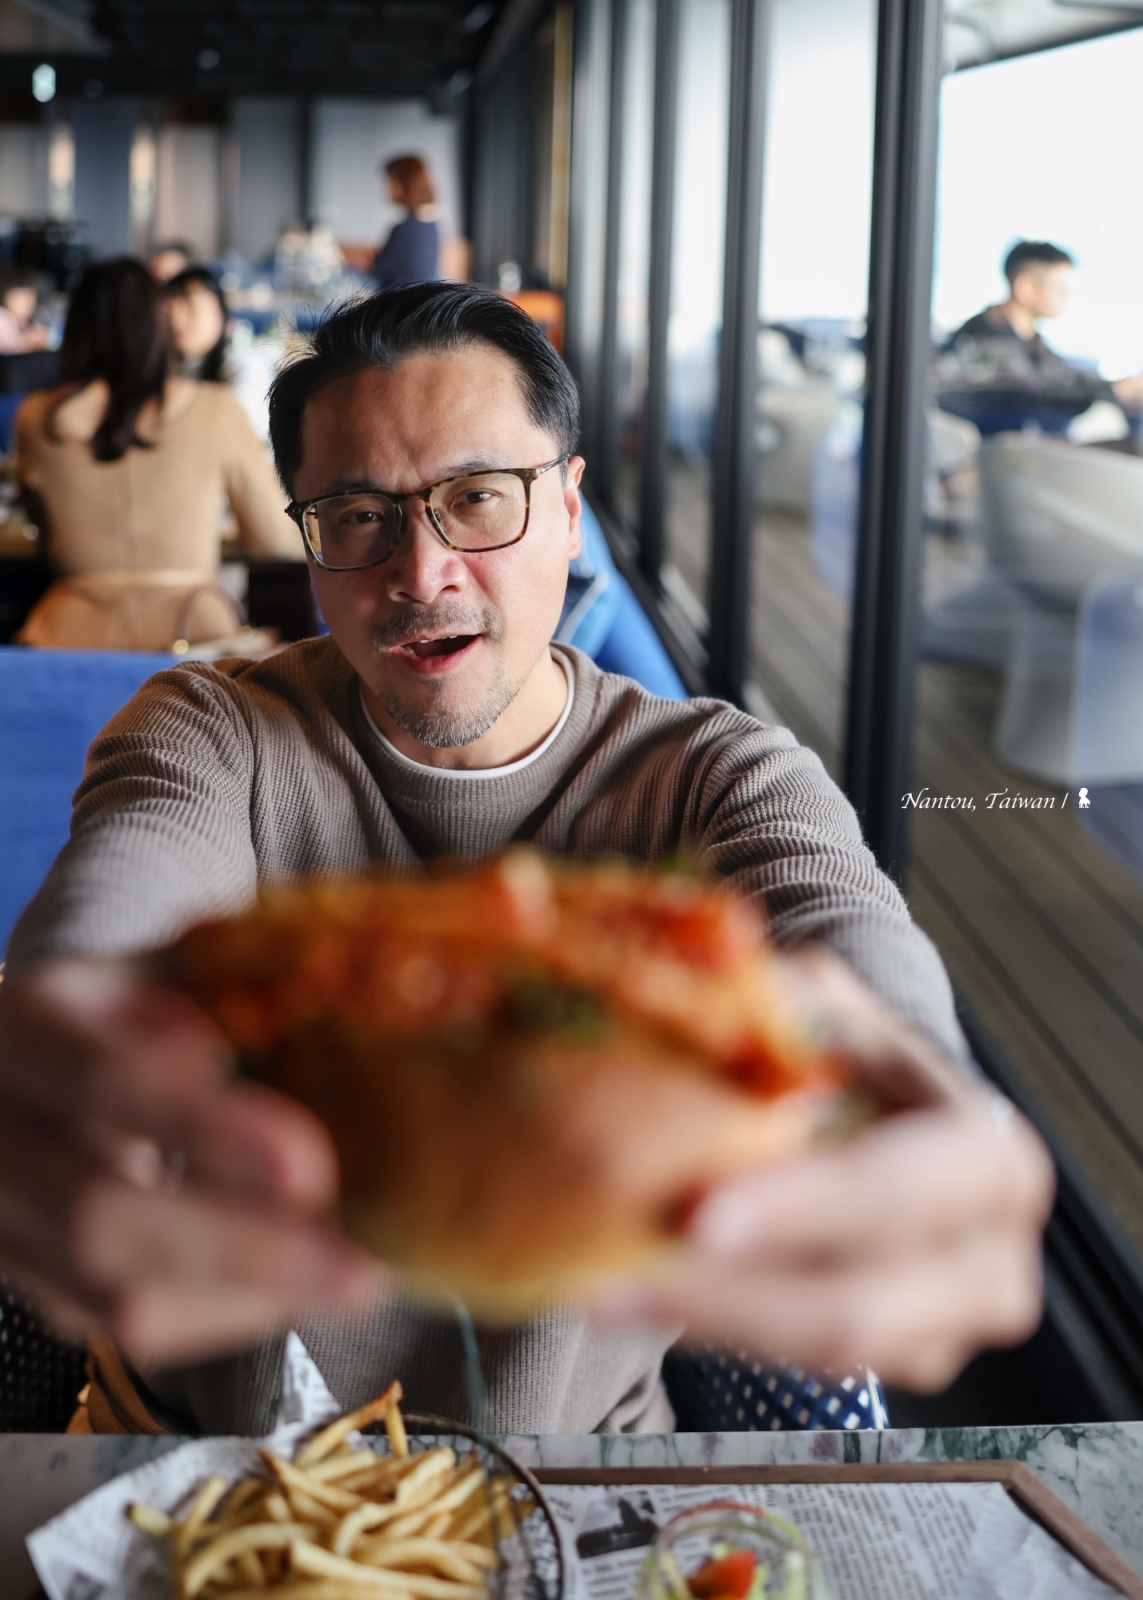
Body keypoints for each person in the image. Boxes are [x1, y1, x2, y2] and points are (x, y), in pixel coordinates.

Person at [0, 284, 1052, 1436]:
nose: (422, 571)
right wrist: (56, 1028)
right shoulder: (212, 729)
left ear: (569, 507)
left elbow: (847, 947)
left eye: (477, 498)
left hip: (586, 1482)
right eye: (356, 515)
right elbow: (117, 894)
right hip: (190, 1472)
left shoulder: (713, 776)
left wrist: (933, 1107)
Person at [13, 257, 301, 653]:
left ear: (76, 328)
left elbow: (41, 525)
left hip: (66, 637)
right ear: (159, 323)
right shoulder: (216, 409)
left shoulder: (34, 417)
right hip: (193, 636)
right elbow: (274, 542)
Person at [939, 240, 1143, 426]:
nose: (1066, 298)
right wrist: (1117, 390)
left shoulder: (1033, 343)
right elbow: (1033, 394)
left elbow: (1064, 378)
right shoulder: (978, 339)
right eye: (1061, 290)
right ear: (1026, 287)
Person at [372, 154, 440, 290]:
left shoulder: (407, 229)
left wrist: (374, 261)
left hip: (397, 296)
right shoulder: (430, 225)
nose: (387, 188)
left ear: (405, 184)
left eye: (390, 182)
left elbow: (384, 271)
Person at [164, 266, 228, 382]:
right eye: (169, 314)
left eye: (190, 308)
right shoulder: (170, 366)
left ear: (219, 312)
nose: (176, 322)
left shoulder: (242, 364)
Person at [0, 266, 51, 354]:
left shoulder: (27, 322)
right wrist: (26, 341)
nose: (26, 304)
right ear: (5, 296)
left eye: (30, 298)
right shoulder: (2, 317)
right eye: (20, 298)